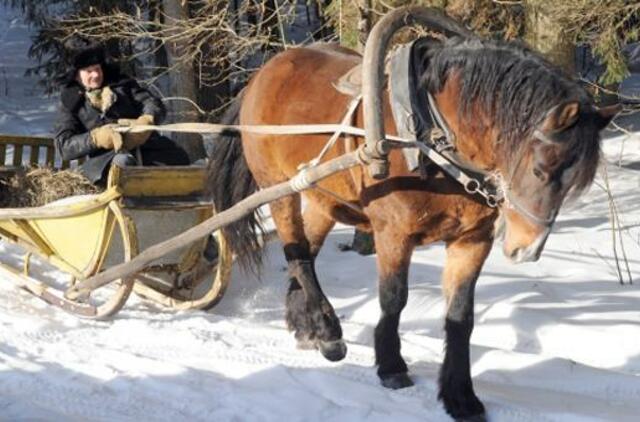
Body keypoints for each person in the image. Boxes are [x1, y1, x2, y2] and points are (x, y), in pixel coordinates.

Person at [54, 36, 190, 184]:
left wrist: (148, 119)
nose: (96, 75)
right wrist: (96, 138)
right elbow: (64, 146)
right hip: (105, 161)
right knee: (123, 163)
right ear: (76, 74)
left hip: (147, 150)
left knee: (179, 157)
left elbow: (152, 102)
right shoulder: (71, 100)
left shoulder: (121, 84)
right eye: (89, 71)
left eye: (98, 69)